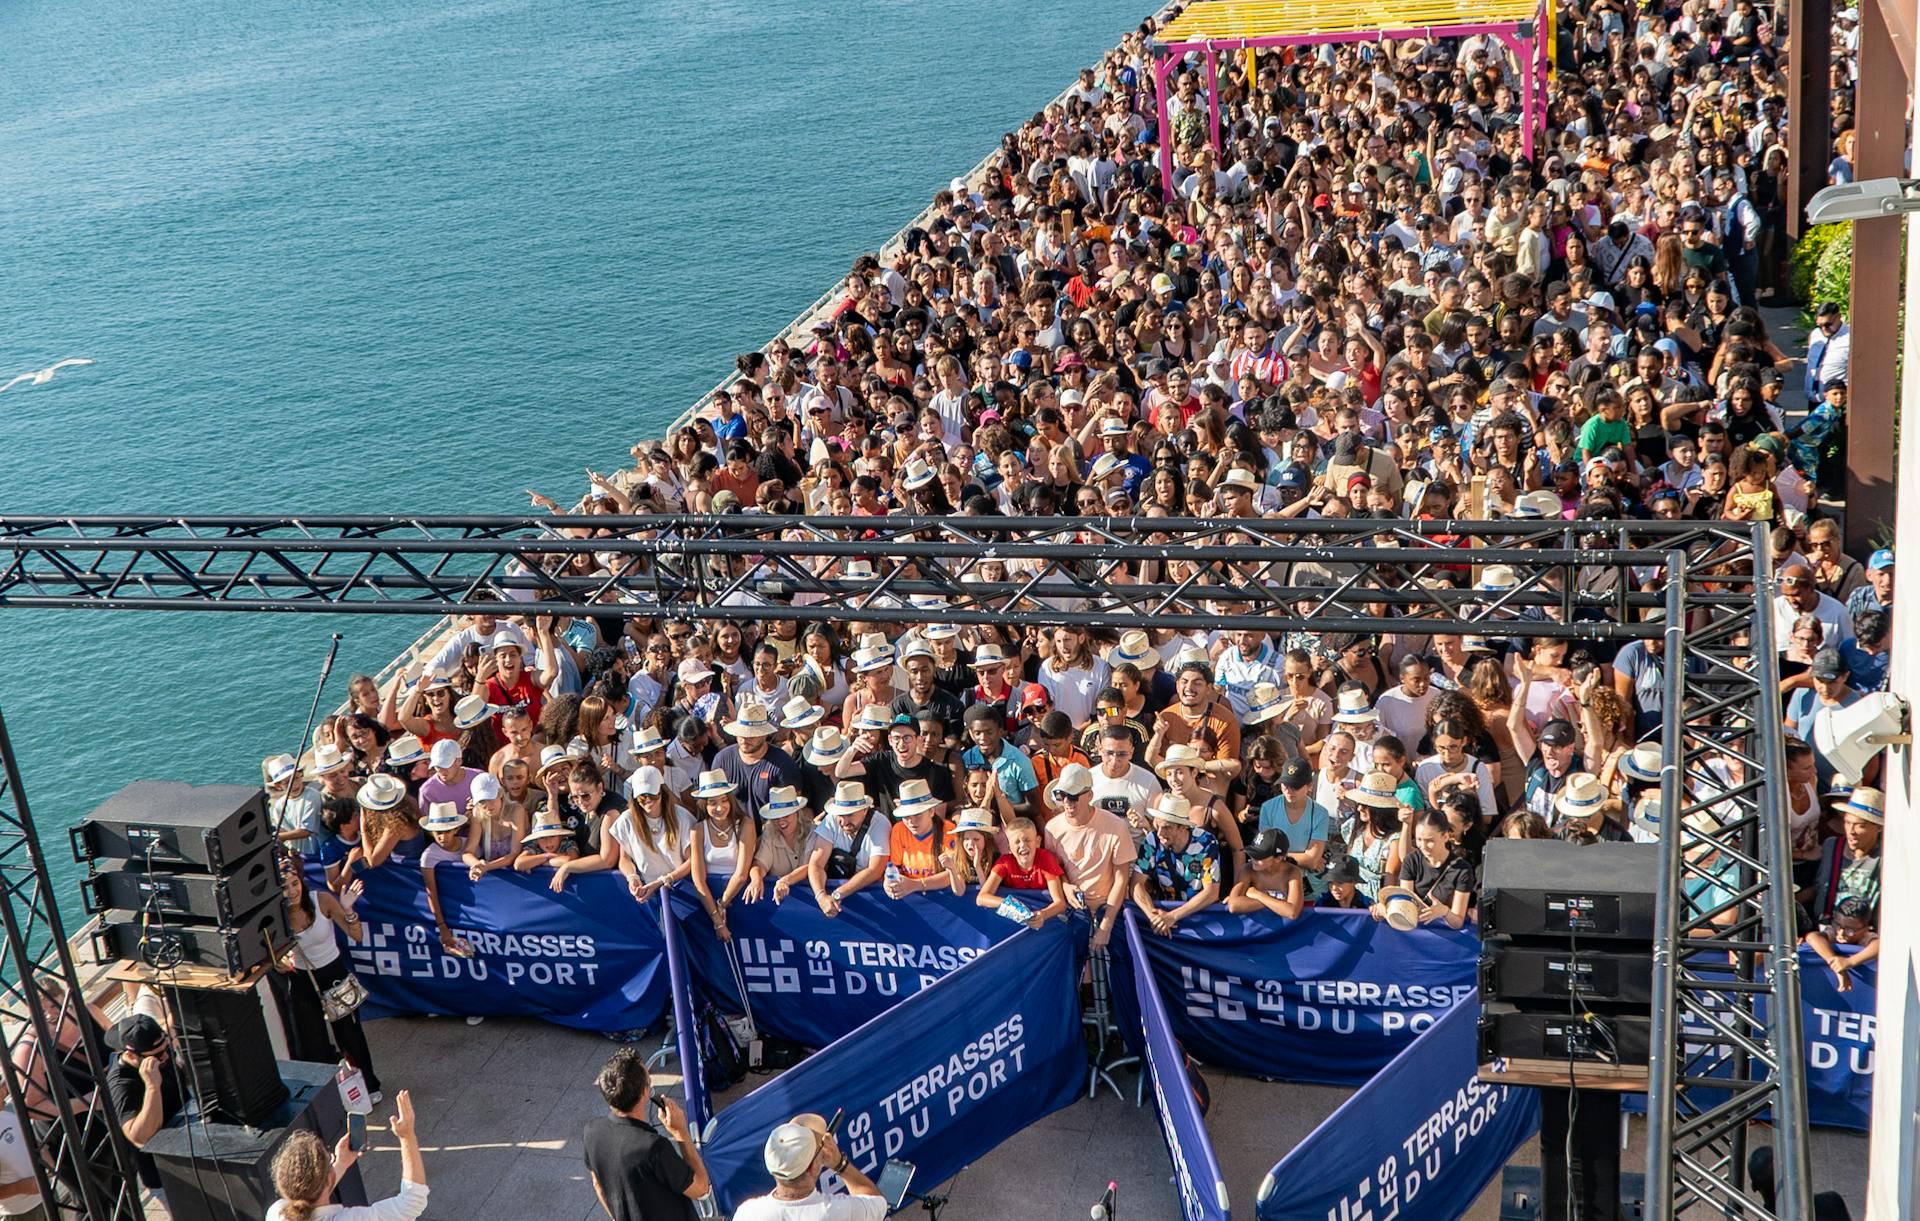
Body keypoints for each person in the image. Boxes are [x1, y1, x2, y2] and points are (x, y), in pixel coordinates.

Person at [582, 1050, 706, 1221]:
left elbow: (599, 1185)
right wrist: (681, 1133)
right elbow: (701, 1189)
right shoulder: (654, 1148)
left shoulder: (592, 1132)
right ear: (644, 1093)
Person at [266, 1091, 427, 1220]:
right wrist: (407, 1136)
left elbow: (312, 1193)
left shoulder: (276, 1214)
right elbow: (411, 1202)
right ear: (329, 1179)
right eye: (330, 1158)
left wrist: (341, 1164)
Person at [731, 1117, 886, 1220]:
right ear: (813, 1168)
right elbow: (877, 1202)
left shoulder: (747, 1214)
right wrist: (840, 1164)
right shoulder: (841, 1211)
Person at [104, 1014, 187, 1201]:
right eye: (156, 1055)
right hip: (166, 1174)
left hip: (189, 1148)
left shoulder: (162, 1055)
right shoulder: (121, 1083)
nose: (165, 1056)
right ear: (131, 1054)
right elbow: (140, 1137)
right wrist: (152, 1087)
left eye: (166, 1048)